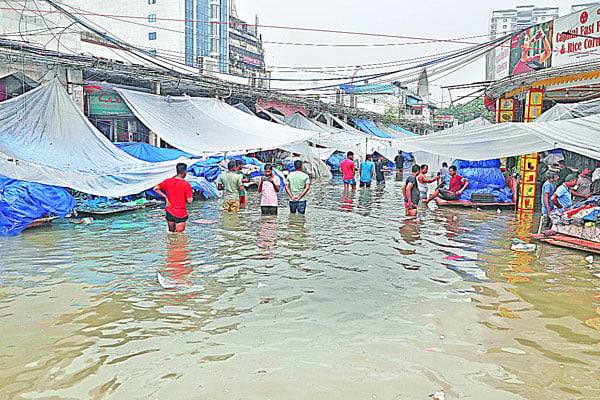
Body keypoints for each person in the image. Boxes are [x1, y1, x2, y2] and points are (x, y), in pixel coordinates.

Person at [153, 163, 193, 233]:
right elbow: (190, 201)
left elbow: (155, 189)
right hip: (180, 212)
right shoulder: (186, 184)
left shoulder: (168, 181)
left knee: (171, 233)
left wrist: (166, 197)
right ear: (185, 172)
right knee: (180, 236)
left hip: (170, 211)